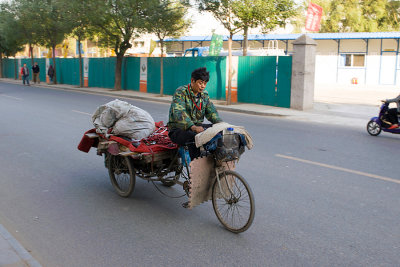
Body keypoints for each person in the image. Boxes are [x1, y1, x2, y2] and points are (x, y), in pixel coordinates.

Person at [168, 67, 222, 159]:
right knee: (195, 137)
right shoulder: (181, 92)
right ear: (192, 81)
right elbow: (179, 113)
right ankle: (195, 168)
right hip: (178, 130)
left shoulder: (204, 95)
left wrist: (221, 124)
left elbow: (212, 112)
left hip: (197, 127)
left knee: (219, 132)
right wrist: (193, 127)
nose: (203, 86)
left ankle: (216, 159)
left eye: (205, 83)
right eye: (200, 83)